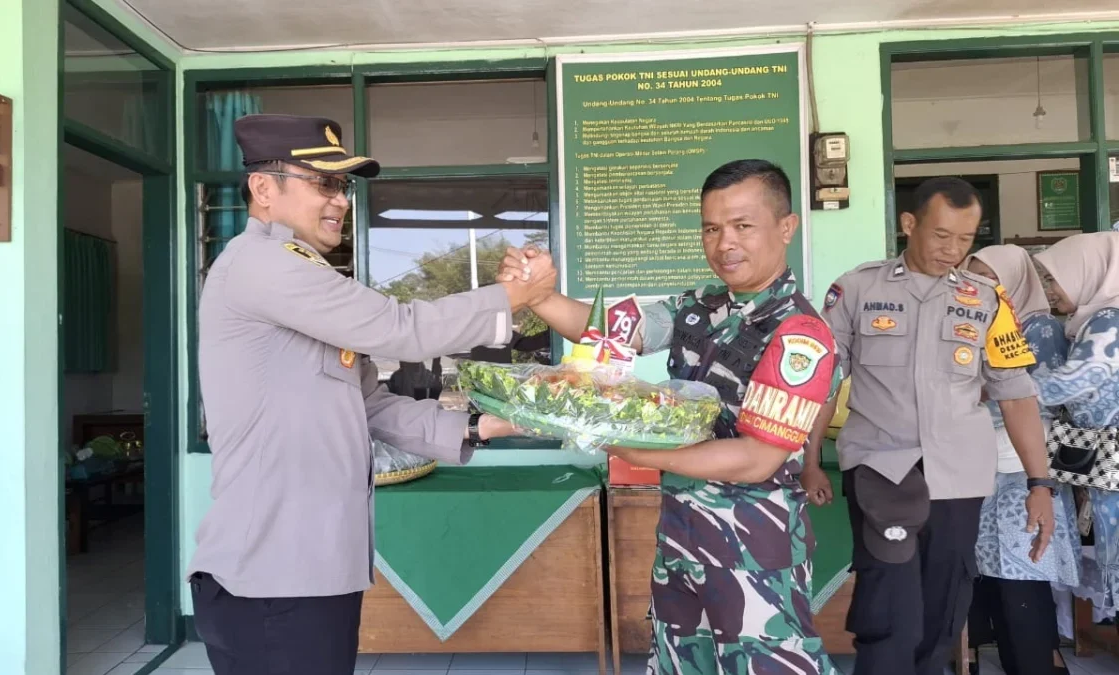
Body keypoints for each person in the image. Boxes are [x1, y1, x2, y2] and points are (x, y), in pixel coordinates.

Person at [186, 114, 555, 675]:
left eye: (344, 187)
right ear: (264, 188)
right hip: (271, 572)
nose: (339, 201)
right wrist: (512, 296)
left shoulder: (300, 272)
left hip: (313, 566)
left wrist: (484, 426)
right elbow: (400, 327)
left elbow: (369, 405)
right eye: (324, 183)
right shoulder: (261, 265)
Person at [499, 159, 844, 675]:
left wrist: (629, 448)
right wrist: (539, 296)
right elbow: (608, 331)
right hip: (683, 537)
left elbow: (757, 458)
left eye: (742, 225)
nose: (725, 242)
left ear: (786, 227)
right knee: (681, 664)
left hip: (753, 553)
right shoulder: (699, 305)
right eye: (712, 227)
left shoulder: (800, 334)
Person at [802, 176, 1056, 675]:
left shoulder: (988, 300)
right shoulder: (856, 288)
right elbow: (822, 383)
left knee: (943, 612)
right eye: (942, 235)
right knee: (887, 609)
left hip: (958, 476)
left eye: (966, 239)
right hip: (881, 470)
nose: (954, 250)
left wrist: (1039, 482)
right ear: (909, 224)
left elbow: (1016, 394)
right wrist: (810, 461)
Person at [963, 245, 1081, 675]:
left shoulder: (1040, 328)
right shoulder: (974, 324)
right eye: (970, 277)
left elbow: (1036, 397)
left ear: (1013, 280)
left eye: (987, 279)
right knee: (987, 577)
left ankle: (1038, 664)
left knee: (1021, 582)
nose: (977, 288)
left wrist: (973, 392)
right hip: (982, 467)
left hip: (1022, 469)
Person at [1028, 232, 1119, 637]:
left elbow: (1076, 381)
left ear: (1086, 274)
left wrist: (1003, 389)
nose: (1048, 290)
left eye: (1052, 279)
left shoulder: (1107, 320)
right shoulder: (1088, 321)